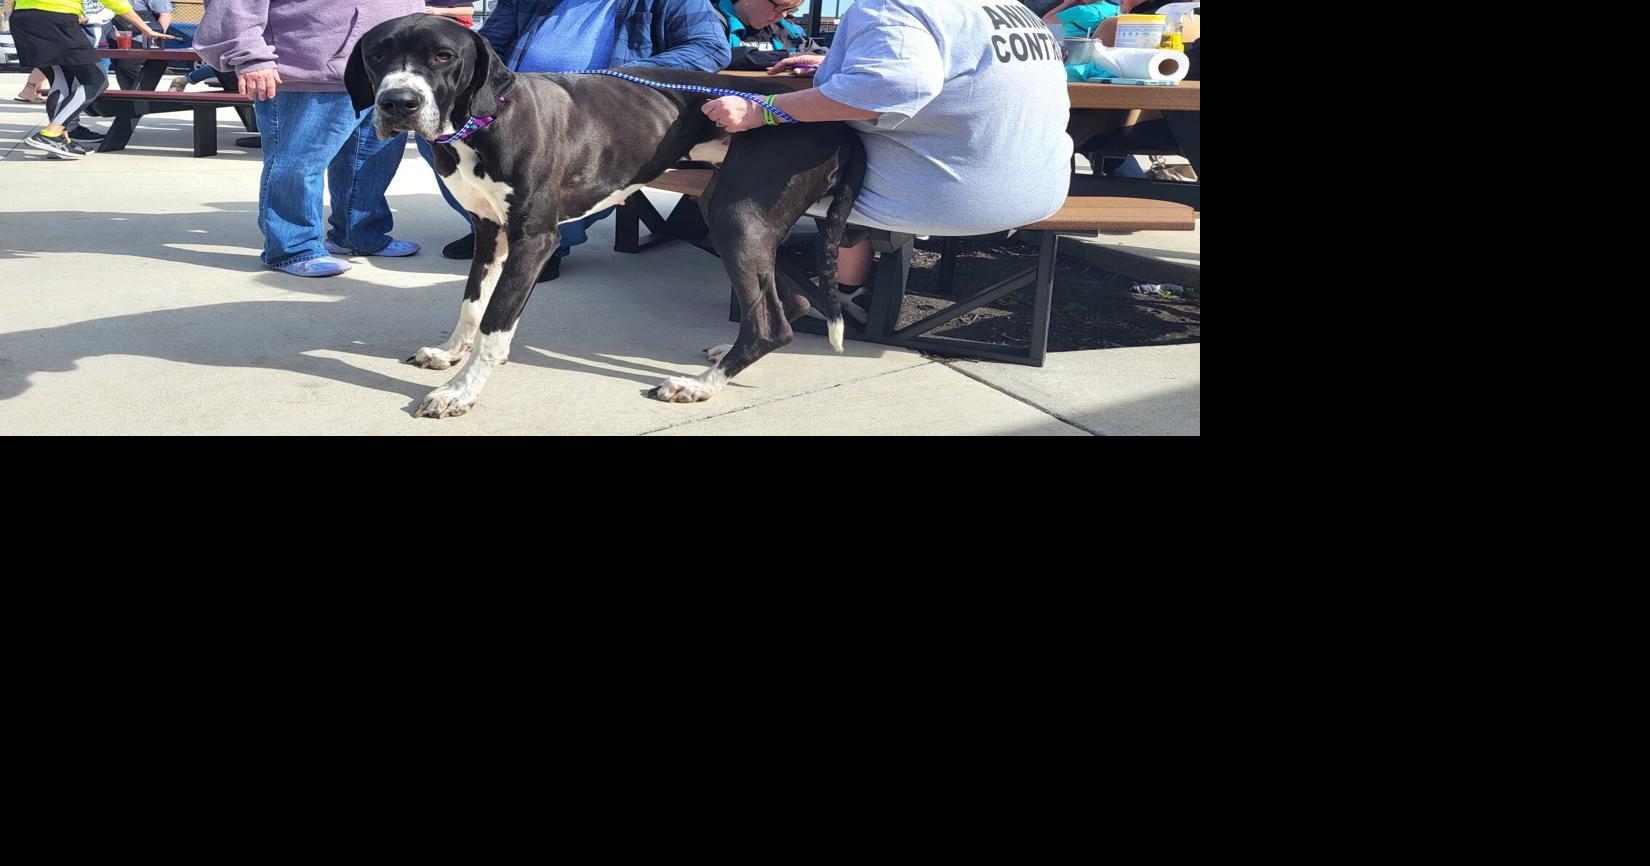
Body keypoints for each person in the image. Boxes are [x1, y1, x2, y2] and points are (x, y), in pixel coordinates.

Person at [702, 0, 1083, 313]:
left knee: (726, 180)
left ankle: (787, 301)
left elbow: (888, 86)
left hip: (943, 199)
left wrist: (762, 110)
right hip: (1038, 192)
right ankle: (842, 285)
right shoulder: (1013, 8)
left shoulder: (890, 5)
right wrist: (846, 62)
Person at [429, 0, 731, 283]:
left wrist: (614, 80)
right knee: (442, 138)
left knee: (556, 212)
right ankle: (491, 225)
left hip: (599, 125)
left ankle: (541, 243)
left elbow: (710, 47)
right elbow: (486, 46)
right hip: (518, 114)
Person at [194, 0, 424, 277]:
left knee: (370, 162)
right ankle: (292, 249)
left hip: (387, 75)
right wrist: (250, 56)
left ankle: (358, 235)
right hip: (309, 70)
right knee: (299, 164)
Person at [10, 0, 175, 159]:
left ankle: (60, 138)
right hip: (56, 18)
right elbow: (115, 2)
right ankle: (51, 133)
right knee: (96, 80)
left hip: (22, 18)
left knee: (61, 80)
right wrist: (145, 28)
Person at [715, 0, 825, 72]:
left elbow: (820, 52)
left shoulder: (782, 29)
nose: (783, 15)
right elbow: (717, 54)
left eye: (789, 10)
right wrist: (790, 58)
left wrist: (814, 61)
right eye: (780, 7)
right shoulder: (709, 21)